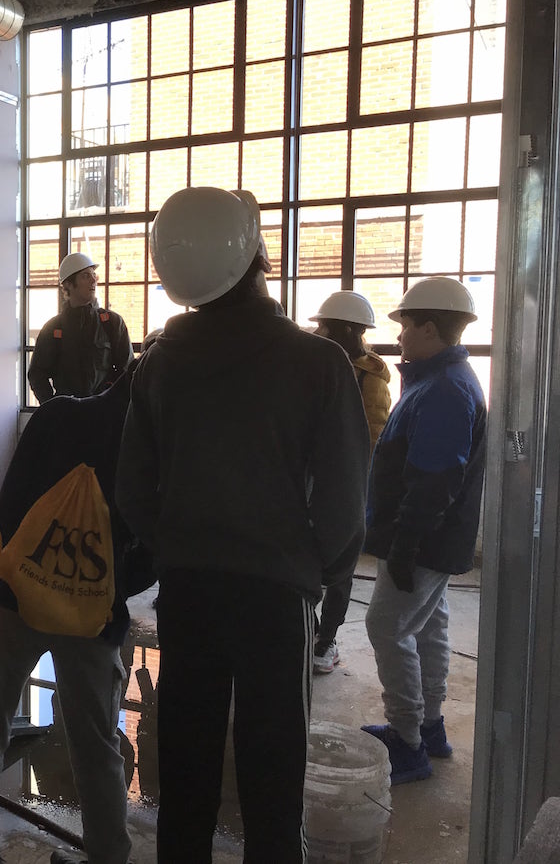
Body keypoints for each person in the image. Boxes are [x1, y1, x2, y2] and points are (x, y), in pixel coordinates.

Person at [116, 187, 370, 863]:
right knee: (272, 779)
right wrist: (316, 573)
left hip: (191, 593)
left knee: (188, 771)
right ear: (259, 252)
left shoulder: (158, 366)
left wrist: (180, 549)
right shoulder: (319, 364)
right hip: (277, 598)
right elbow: (347, 502)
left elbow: (132, 491)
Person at [0, 356, 156, 864]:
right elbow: (158, 549)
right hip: (91, 620)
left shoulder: (55, 415)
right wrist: (107, 590)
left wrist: (18, 576)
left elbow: (8, 509)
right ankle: (108, 855)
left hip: (13, 603)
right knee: (96, 743)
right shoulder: (154, 449)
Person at [361, 277, 486, 785]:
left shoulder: (444, 390)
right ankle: (429, 728)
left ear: (430, 328)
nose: (400, 337)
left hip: (424, 539)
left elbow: (434, 477)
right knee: (429, 626)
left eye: (406, 326)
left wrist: (406, 545)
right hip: (438, 538)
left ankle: (407, 741)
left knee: (386, 628)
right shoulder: (442, 381)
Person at [308, 290, 393, 674]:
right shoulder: (314, 364)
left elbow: (372, 436)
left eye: (323, 325)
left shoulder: (369, 378)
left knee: (341, 565)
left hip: (347, 482)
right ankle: (305, 627)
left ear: (340, 330)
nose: (317, 330)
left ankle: (326, 640)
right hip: (309, 476)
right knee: (306, 555)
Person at [28, 251, 132, 403]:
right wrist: (52, 407)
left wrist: (111, 402)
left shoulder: (112, 323)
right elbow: (37, 374)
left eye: (93, 275)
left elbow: (127, 370)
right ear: (68, 284)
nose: (93, 280)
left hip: (103, 415)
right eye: (85, 276)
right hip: (68, 416)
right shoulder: (53, 329)